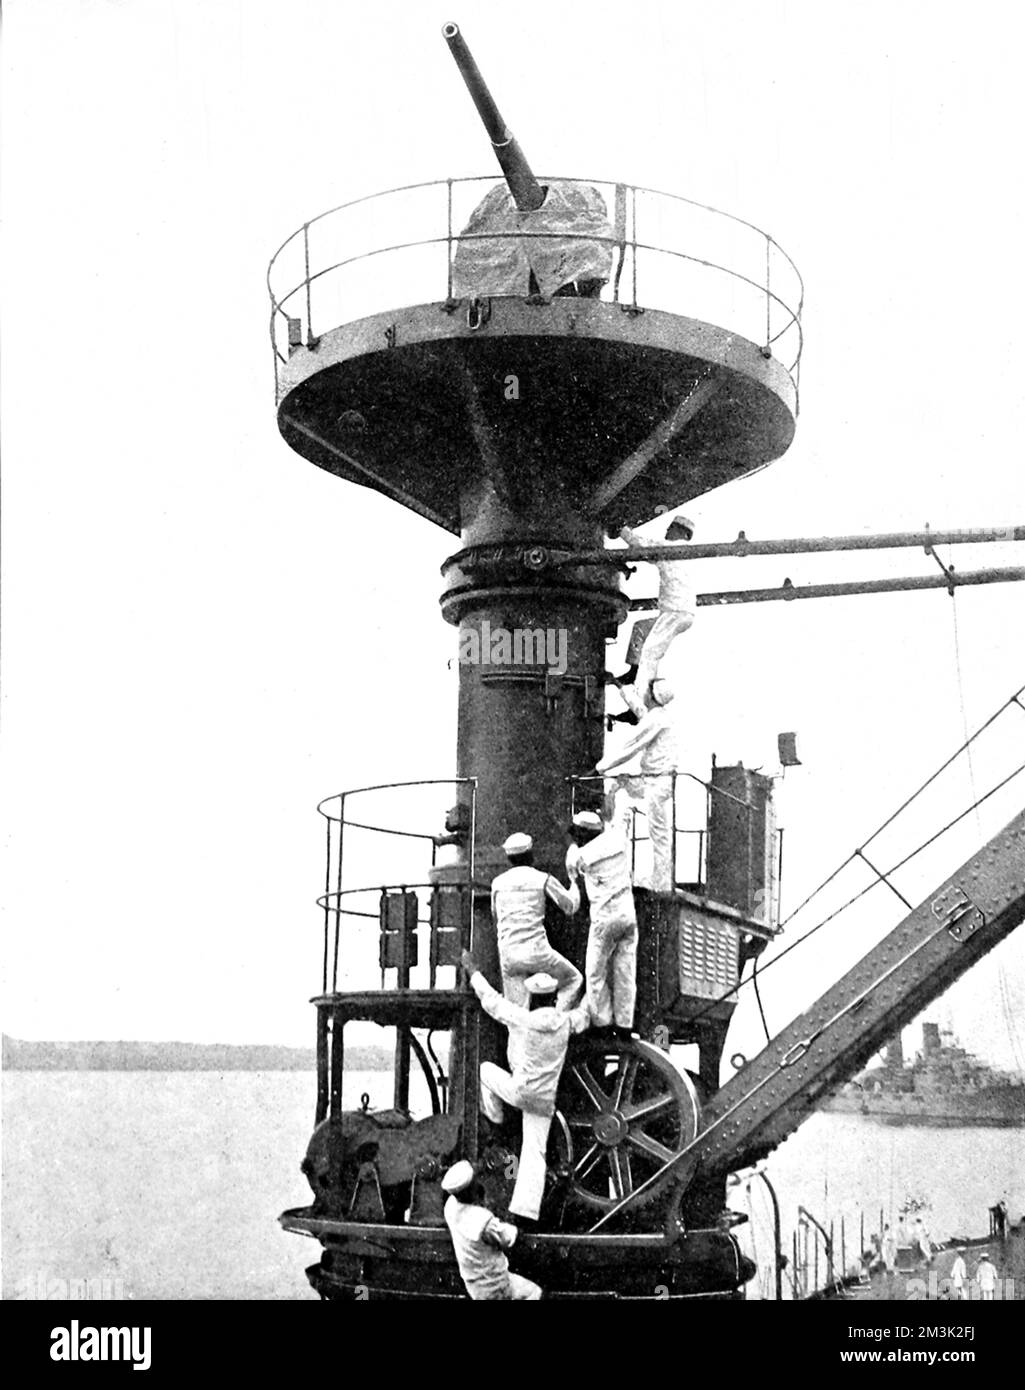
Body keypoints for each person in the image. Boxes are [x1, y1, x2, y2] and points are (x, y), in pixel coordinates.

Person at [462, 955, 590, 1225]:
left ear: (533, 998)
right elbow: (584, 1016)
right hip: (544, 1102)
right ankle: (525, 1213)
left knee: (485, 1070)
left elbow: (492, 1002)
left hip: (518, 1091)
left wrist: (473, 971)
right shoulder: (565, 1023)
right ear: (554, 999)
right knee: (536, 1154)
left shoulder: (523, 1018)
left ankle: (497, 1119)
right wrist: (594, 988)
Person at [596, 677, 679, 893]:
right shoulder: (657, 716)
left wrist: (601, 767)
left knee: (658, 832)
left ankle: (662, 882)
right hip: (650, 779)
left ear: (653, 696)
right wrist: (619, 686)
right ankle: (610, 831)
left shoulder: (657, 720)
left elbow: (631, 745)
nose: (644, 692)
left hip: (658, 782)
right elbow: (640, 710)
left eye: (648, 690)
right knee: (619, 786)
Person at [490, 832, 582, 1009]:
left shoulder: (497, 883)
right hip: (537, 951)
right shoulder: (542, 878)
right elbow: (570, 906)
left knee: (515, 1013)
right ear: (531, 855)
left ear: (509, 858)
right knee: (573, 979)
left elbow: (496, 919)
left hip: (508, 954)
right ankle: (556, 1022)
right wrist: (574, 882)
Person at [567, 810, 638, 1037]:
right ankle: (625, 1025)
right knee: (625, 971)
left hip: (604, 920)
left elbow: (572, 862)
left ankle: (604, 1024)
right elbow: (623, 818)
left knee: (595, 974)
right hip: (628, 915)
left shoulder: (582, 856)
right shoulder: (617, 839)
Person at [617, 515, 696, 706]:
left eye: (671, 528)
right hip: (680, 612)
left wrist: (620, 529)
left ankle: (642, 703)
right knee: (641, 629)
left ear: (682, 533)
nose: (667, 531)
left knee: (651, 653)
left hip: (674, 612)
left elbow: (641, 544)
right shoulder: (684, 554)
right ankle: (634, 671)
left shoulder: (670, 548)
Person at [441, 1160, 542, 1301]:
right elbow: (509, 1237)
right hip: (495, 1284)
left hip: (474, 1285)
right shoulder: (484, 1221)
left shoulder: (450, 1208)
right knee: (534, 1293)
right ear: (470, 1190)